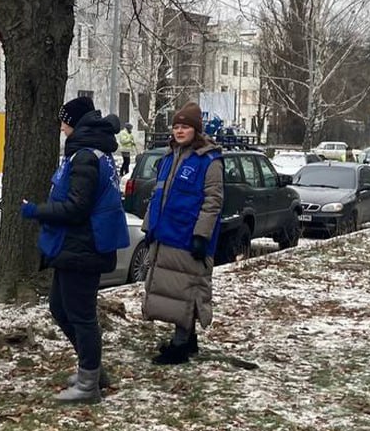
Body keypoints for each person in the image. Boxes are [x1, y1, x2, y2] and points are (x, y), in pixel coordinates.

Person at [20, 96, 130, 403]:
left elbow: (77, 208)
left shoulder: (86, 156)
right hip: (75, 246)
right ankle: (91, 369)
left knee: (82, 317)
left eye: (64, 121)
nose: (61, 126)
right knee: (59, 307)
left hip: (84, 247)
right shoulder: (92, 152)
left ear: (75, 122)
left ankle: (88, 385)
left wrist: (36, 211)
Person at [141, 101, 224, 365]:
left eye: (185, 127)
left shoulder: (209, 160)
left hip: (188, 238)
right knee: (174, 292)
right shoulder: (168, 157)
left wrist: (201, 235)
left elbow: (213, 201)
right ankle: (188, 340)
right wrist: (149, 226)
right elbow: (158, 194)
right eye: (176, 126)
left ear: (196, 130)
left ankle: (180, 346)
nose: (179, 131)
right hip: (166, 234)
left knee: (186, 290)